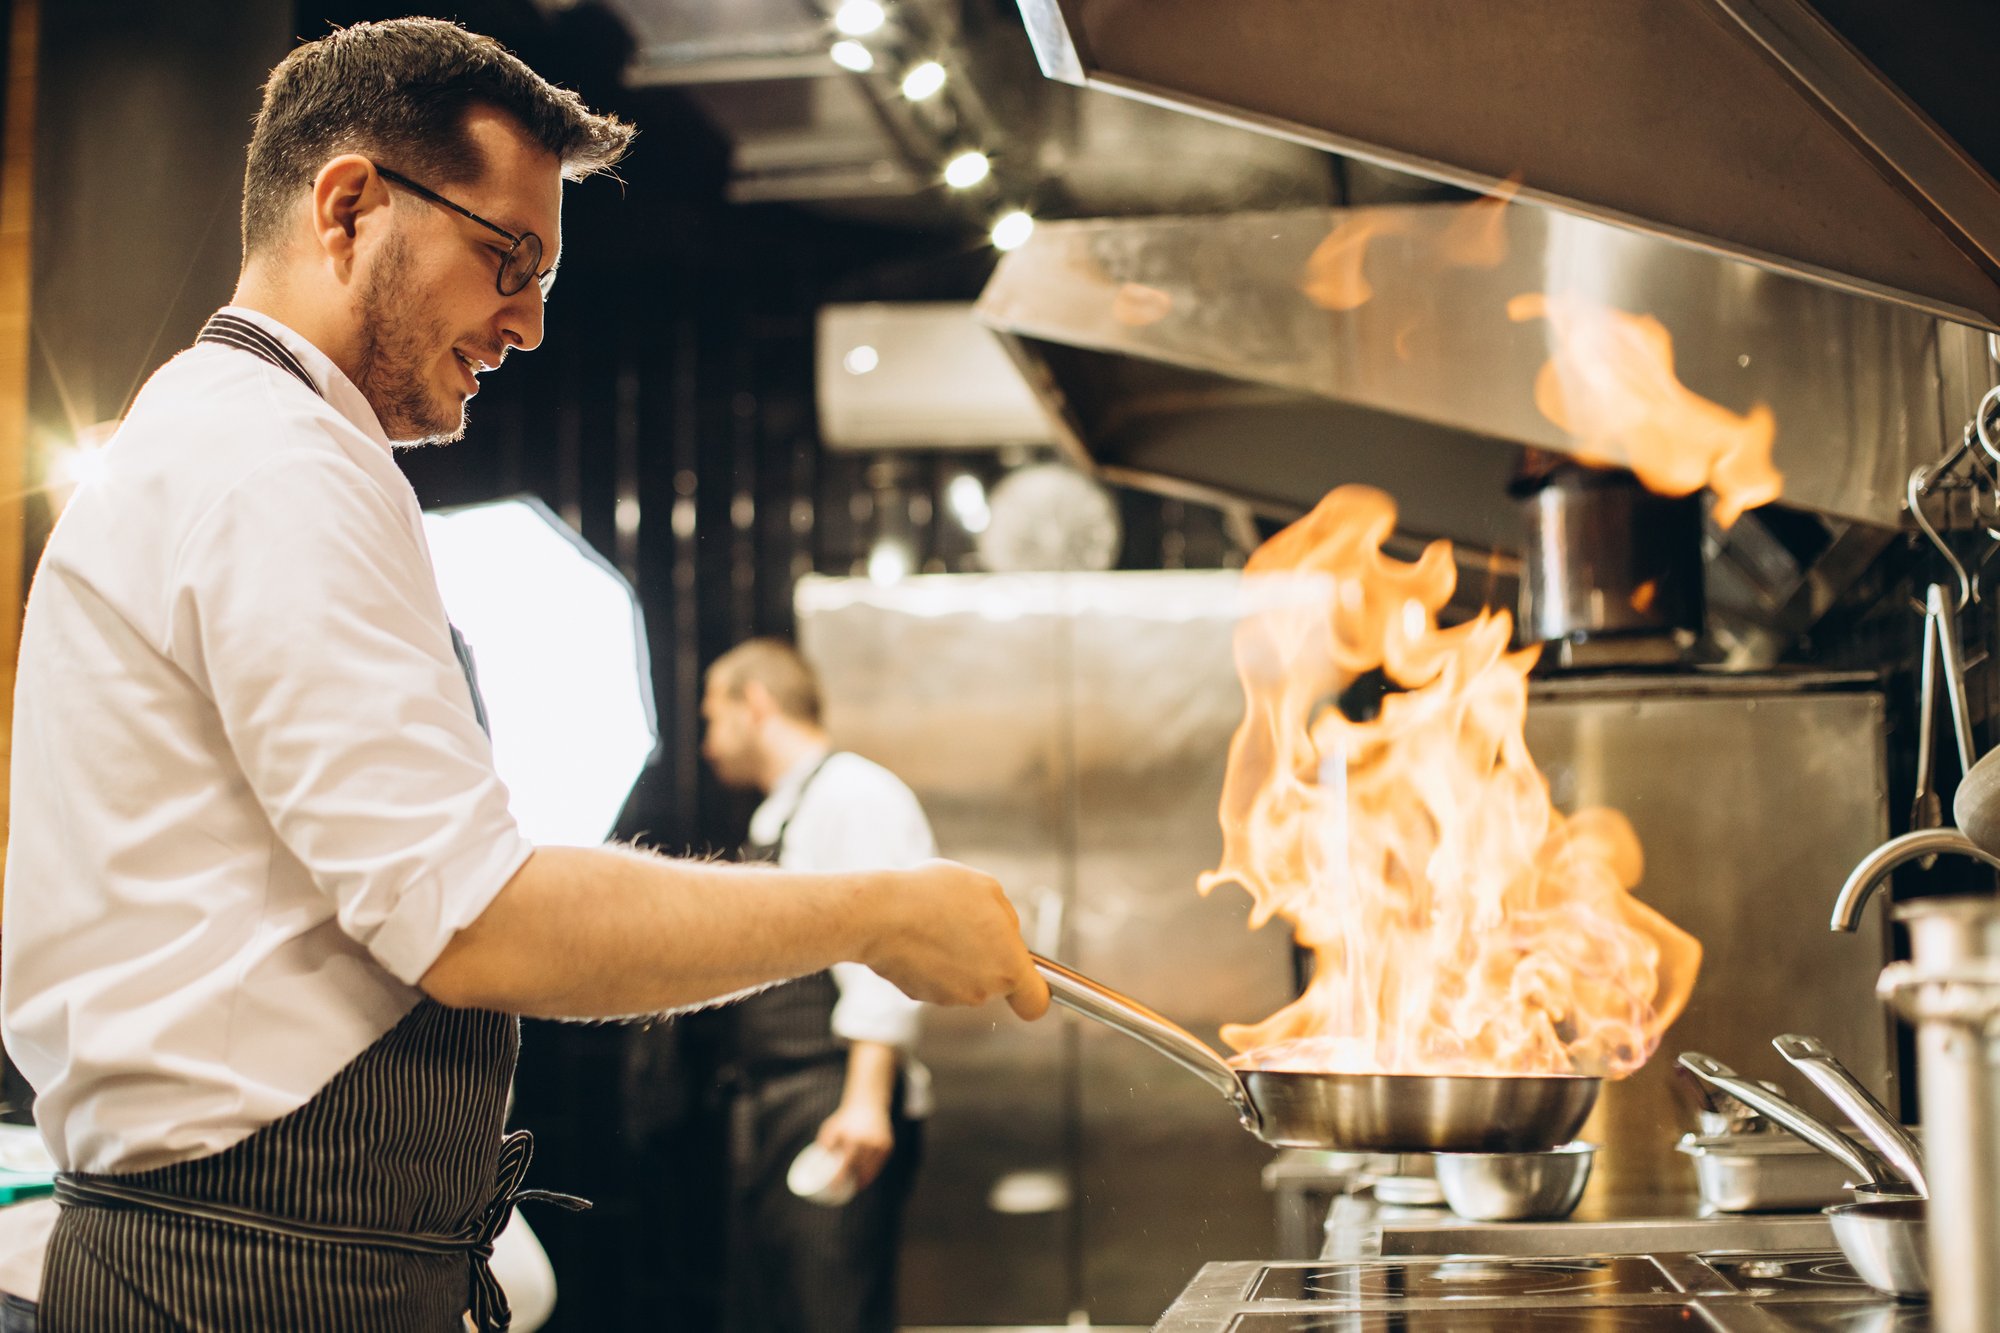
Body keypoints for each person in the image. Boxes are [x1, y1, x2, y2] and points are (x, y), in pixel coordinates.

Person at [0, 19, 1048, 1333]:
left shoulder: (244, 445)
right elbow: (479, 921)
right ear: (349, 207)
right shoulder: (275, 468)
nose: (533, 323)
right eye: (510, 258)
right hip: (243, 1280)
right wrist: (876, 914)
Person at [688, 639, 936, 1333]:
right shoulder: (783, 810)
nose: (708, 744)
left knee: (833, 1315)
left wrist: (863, 1103)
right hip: (782, 1099)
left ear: (755, 705)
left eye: (713, 718)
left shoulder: (850, 794)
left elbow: (888, 954)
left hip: (833, 1099)